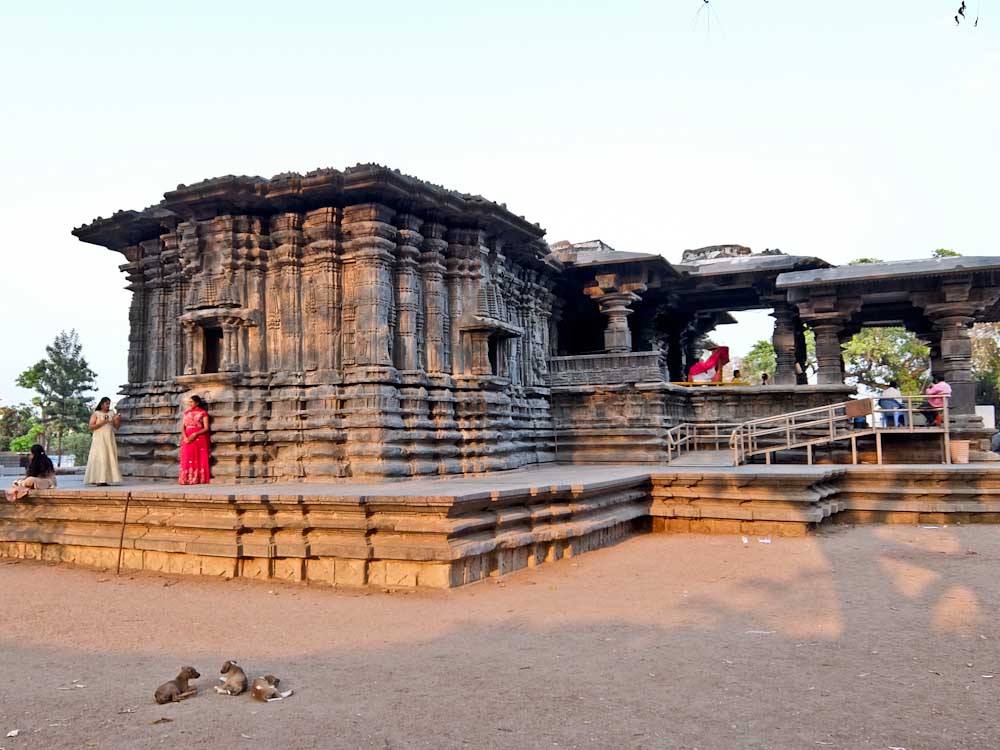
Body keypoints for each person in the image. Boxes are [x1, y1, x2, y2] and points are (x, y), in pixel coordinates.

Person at [84, 397, 122, 485]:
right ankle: (97, 479)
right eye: (106, 404)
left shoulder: (112, 413)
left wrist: (117, 420)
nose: (108, 405)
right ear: (101, 404)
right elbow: (91, 426)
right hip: (99, 438)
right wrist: (102, 422)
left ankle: (105, 479)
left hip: (109, 437)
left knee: (108, 456)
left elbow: (116, 427)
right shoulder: (96, 414)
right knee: (100, 456)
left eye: (109, 404)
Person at [179, 395, 211, 485]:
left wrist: (196, 434)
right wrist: (185, 437)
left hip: (199, 436)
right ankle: (186, 478)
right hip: (187, 436)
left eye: (192, 402)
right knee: (187, 456)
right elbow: (183, 427)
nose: (190, 403)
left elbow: (206, 428)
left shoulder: (203, 413)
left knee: (197, 456)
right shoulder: (186, 413)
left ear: (197, 403)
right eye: (189, 402)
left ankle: (197, 478)